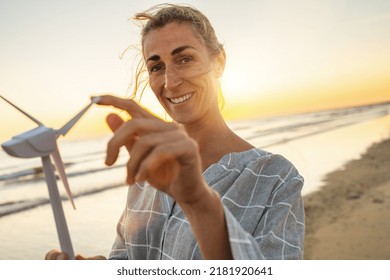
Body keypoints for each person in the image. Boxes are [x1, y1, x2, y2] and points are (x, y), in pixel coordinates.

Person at [46, 3, 304, 260]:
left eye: (185, 59)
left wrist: (198, 201)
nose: (170, 82)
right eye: (156, 67)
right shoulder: (148, 168)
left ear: (219, 63)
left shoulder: (275, 177)